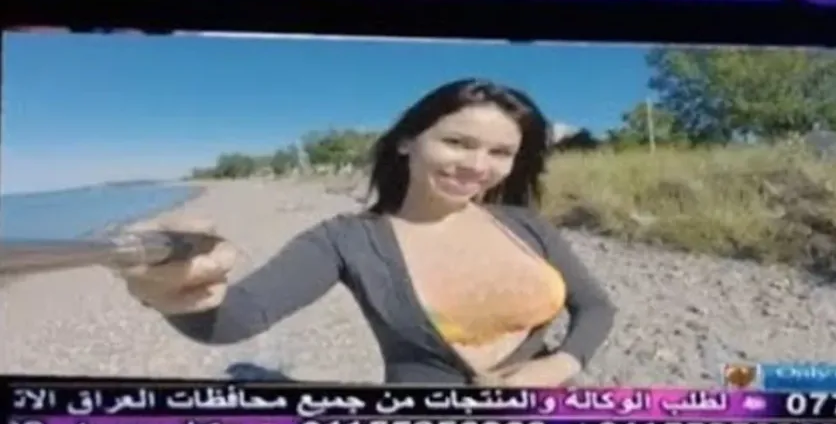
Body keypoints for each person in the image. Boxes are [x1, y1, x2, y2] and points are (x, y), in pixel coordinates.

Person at [118, 78, 616, 386]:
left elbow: (595, 306)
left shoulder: (524, 224)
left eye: (499, 153)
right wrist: (175, 292)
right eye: (457, 142)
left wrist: (561, 365)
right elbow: (234, 321)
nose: (476, 166)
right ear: (407, 142)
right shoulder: (346, 240)